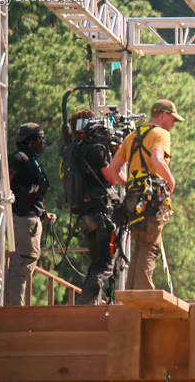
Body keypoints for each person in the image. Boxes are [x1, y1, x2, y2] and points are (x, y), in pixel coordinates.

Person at [106, 99, 183, 290]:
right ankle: (144, 292)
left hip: (133, 200)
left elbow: (112, 169)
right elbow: (157, 158)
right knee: (149, 245)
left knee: (140, 245)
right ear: (163, 115)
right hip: (151, 198)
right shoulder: (161, 134)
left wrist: (130, 184)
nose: (173, 124)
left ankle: (132, 292)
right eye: (172, 119)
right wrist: (171, 181)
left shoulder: (132, 137)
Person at [68, 109, 120, 304]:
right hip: (100, 213)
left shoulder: (74, 149)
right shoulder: (97, 149)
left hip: (85, 214)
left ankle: (90, 304)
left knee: (96, 262)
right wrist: (117, 154)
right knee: (105, 264)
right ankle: (85, 304)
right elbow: (111, 178)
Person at [5, 123, 55, 306]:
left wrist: (42, 213)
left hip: (29, 219)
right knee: (22, 266)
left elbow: (29, 193)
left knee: (22, 266)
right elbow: (6, 184)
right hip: (24, 221)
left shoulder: (30, 161)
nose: (44, 142)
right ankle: (14, 313)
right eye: (41, 138)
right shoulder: (20, 159)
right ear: (31, 141)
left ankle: (13, 310)